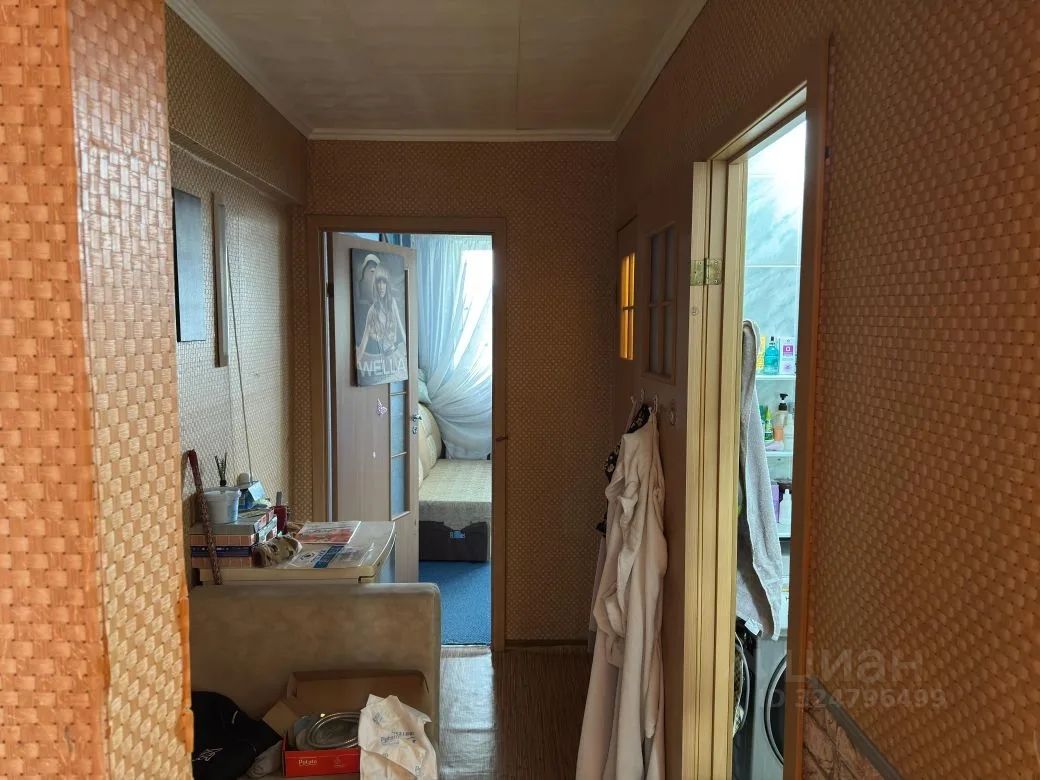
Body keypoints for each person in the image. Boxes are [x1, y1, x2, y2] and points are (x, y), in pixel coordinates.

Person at [356, 267, 406, 371]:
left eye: (384, 282)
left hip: (396, 355)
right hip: (384, 359)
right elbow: (363, 342)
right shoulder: (372, 311)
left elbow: (401, 329)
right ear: (375, 285)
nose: (381, 286)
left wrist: (410, 353)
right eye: (379, 282)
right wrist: (355, 363)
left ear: (387, 285)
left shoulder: (392, 303)